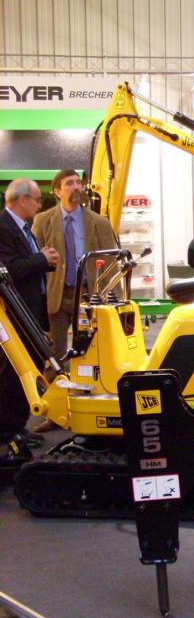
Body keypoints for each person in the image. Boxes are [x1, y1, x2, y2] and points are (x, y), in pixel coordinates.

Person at [31, 169, 118, 364]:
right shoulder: (43, 221)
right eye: (69, 183)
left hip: (88, 295)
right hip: (57, 296)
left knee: (90, 351)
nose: (76, 187)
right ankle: (54, 381)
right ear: (57, 192)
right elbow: (35, 260)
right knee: (54, 353)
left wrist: (116, 300)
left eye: (78, 182)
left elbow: (111, 264)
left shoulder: (99, 223)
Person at [0, 179, 59, 445]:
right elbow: (9, 269)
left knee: (31, 369)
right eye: (36, 199)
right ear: (22, 200)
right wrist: (40, 259)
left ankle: (18, 426)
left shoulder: (24, 229)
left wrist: (44, 261)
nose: (39, 204)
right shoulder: (3, 227)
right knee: (13, 374)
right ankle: (6, 431)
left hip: (29, 312)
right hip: (14, 315)